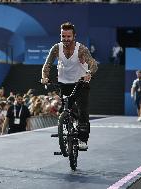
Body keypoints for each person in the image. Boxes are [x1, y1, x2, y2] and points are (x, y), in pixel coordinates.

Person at [41, 22, 98, 150]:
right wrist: (44, 77)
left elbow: (93, 64)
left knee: (83, 110)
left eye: (68, 36)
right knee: (67, 110)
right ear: (60, 35)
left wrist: (89, 73)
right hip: (63, 83)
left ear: (74, 36)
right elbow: (47, 64)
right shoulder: (56, 48)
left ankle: (83, 139)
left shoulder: (81, 49)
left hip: (80, 83)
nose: (66, 39)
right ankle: (67, 130)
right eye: (63, 36)